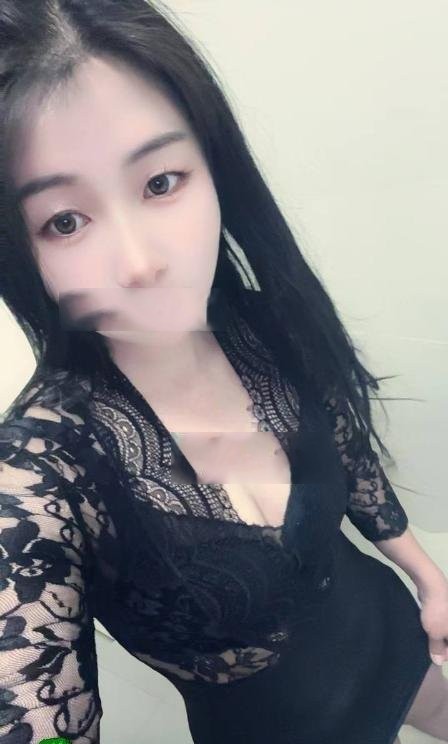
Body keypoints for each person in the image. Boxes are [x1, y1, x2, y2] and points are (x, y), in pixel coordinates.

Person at [0, 1, 447, 743]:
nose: (141, 263)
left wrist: (428, 575)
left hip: (396, 640)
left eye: (160, 182)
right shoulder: (39, 477)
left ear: (214, 168)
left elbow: (348, 453)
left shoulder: (262, 323)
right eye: (65, 221)